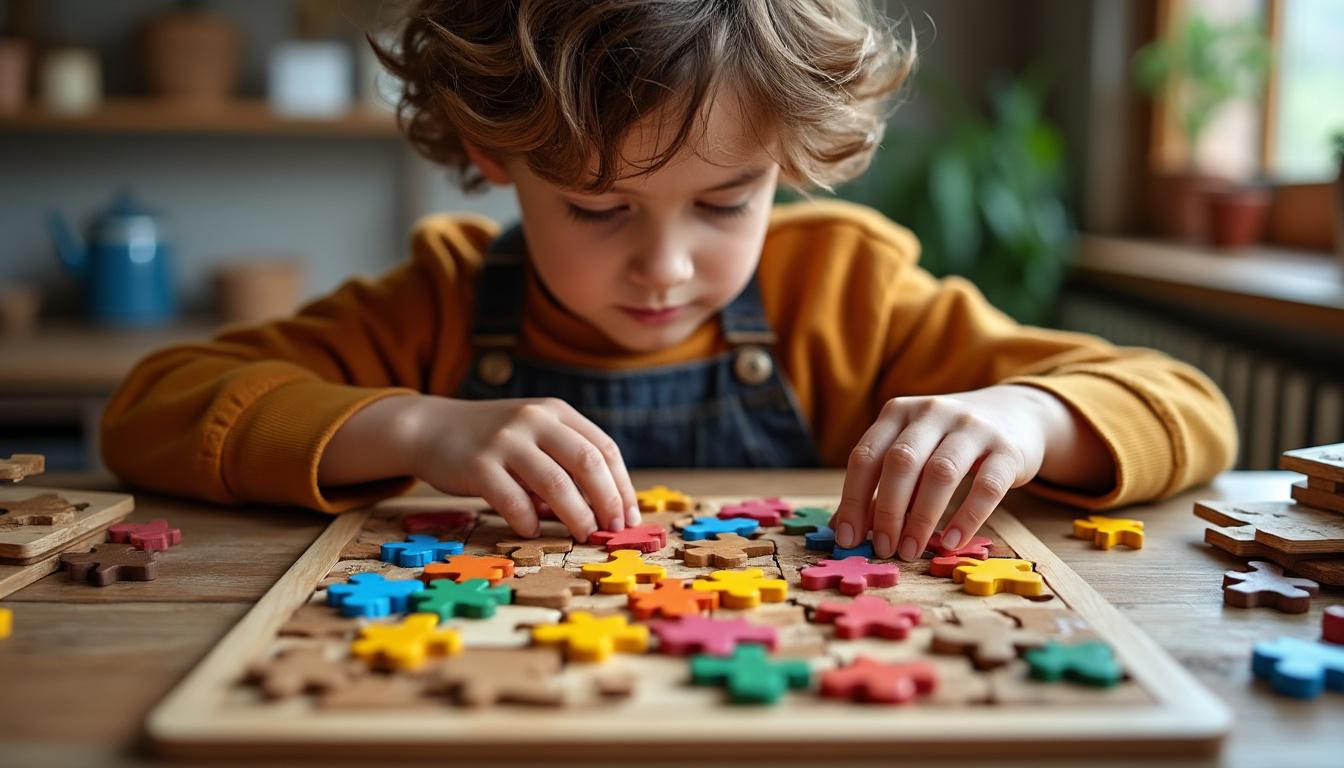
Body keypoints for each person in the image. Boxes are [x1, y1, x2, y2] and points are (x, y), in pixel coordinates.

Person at [101, 0, 1237, 562]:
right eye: (599, 209)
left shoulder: (845, 291)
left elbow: (1185, 404)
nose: (667, 264)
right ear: (496, 162)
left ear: (784, 164)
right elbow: (150, 408)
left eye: (726, 201)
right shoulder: (440, 305)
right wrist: (412, 426)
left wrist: (1028, 415)